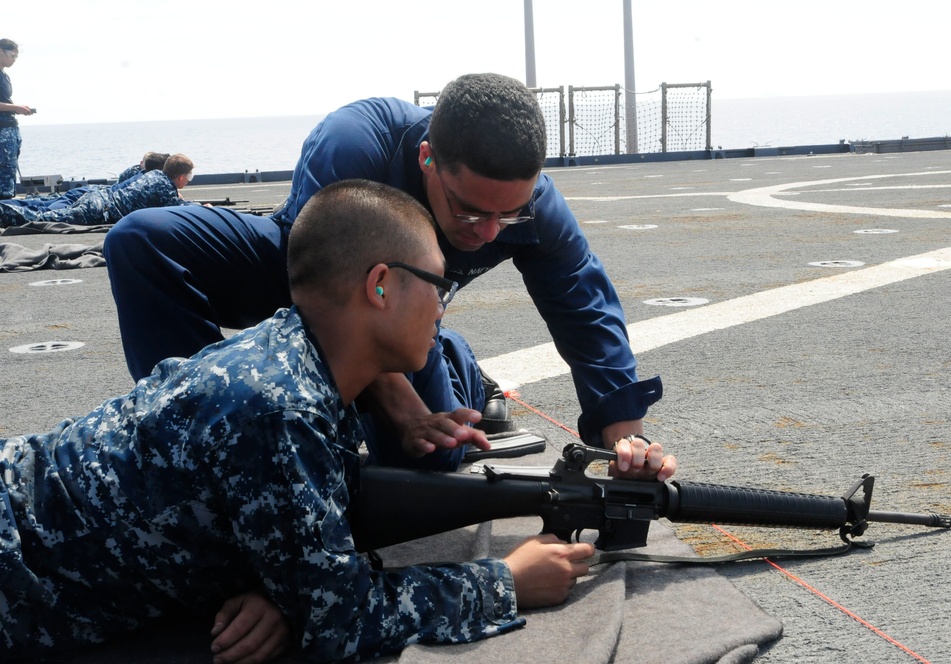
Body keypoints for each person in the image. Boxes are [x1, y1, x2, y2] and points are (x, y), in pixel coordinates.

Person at [0, 179, 596, 662]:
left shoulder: (290, 355)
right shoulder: (279, 406)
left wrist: (287, 591)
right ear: (381, 287)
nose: (442, 307)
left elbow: (301, 541)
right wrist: (505, 581)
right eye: (438, 285)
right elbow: (339, 622)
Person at [104, 72, 675, 480]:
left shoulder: (534, 209)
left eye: (512, 213)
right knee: (140, 240)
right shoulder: (354, 141)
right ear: (427, 158)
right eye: (471, 212)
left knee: (433, 457)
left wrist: (624, 437)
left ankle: (452, 360)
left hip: (400, 321)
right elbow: (327, 292)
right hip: (295, 280)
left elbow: (585, 308)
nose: (490, 232)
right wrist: (405, 409)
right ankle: (199, 439)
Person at [0, 153, 196, 227]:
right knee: (42, 219)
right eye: (188, 177)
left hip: (98, 198)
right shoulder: (164, 186)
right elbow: (178, 209)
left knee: (44, 210)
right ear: (180, 177)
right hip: (99, 209)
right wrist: (203, 206)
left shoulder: (154, 176)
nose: (187, 181)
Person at [0, 39, 35, 200]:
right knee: (4, 169)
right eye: (12, 55)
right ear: (1, 52)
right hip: (2, 130)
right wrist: (15, 108)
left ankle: (7, 205)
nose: (14, 60)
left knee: (9, 168)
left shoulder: (4, 76)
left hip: (10, 128)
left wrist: (19, 109)